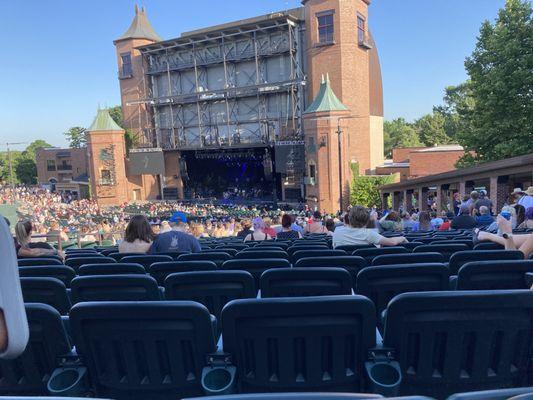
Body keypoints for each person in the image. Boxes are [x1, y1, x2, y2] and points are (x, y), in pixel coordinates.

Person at [332, 206, 408, 248]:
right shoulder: (369, 234)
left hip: (343, 270)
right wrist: (402, 238)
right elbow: (392, 242)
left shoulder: (337, 231)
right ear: (366, 220)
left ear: (349, 218)